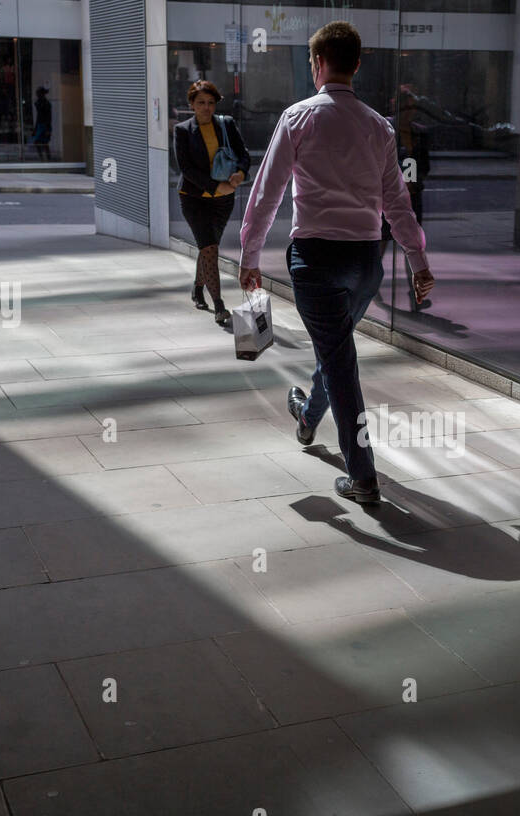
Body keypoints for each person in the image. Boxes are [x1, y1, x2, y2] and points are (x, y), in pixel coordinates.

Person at [238, 20, 434, 504]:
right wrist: (418, 259)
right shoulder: (379, 126)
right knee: (337, 352)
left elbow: (266, 195)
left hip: (317, 259)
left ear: (318, 63)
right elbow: (397, 202)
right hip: (367, 260)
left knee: (340, 364)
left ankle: (363, 476)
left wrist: (249, 254)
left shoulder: (298, 118)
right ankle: (307, 418)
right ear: (357, 64)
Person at [173, 80, 252, 326]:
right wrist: (215, 186)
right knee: (210, 250)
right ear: (191, 105)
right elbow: (185, 168)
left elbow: (243, 154)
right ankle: (218, 305)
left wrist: (240, 173)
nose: (206, 108)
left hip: (223, 200)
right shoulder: (183, 130)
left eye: (210, 103)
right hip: (194, 199)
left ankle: (198, 289)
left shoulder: (226, 124)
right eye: (201, 103)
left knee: (209, 246)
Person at [380, 85, 432, 311]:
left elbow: (424, 164)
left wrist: (414, 181)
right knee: (381, 242)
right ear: (396, 107)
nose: (410, 112)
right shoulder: (385, 128)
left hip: (412, 195)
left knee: (412, 242)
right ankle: (371, 284)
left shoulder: (419, 132)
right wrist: (399, 182)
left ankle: (416, 290)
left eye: (413, 107)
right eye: (406, 107)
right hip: (390, 195)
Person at [32, 86, 52, 161]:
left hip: (44, 125)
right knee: (41, 143)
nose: (37, 95)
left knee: (43, 143)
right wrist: (35, 129)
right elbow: (38, 116)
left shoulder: (46, 104)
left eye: (38, 93)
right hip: (41, 125)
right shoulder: (40, 103)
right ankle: (44, 159)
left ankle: (46, 159)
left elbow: (48, 117)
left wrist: (48, 129)